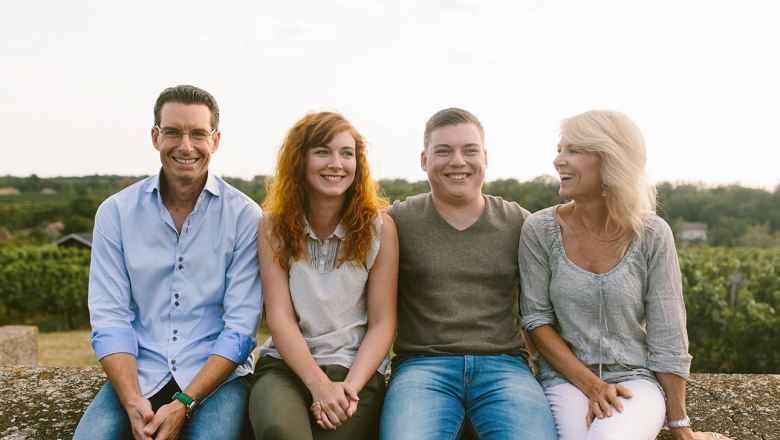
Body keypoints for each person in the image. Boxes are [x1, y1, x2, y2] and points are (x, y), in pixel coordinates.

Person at [519, 110, 732, 440]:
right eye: (560, 149)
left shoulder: (652, 234)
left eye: (573, 151)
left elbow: (668, 337)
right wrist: (592, 385)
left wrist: (680, 425)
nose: (558, 160)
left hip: (636, 382)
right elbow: (535, 321)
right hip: (565, 380)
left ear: (609, 160)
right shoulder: (539, 230)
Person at [73, 85, 263, 440]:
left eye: (198, 134)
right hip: (139, 373)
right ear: (155, 137)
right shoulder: (116, 213)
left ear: (216, 140)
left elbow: (240, 328)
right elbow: (110, 318)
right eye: (173, 132)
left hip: (218, 378)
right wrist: (131, 400)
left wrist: (185, 401)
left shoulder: (245, 217)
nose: (185, 146)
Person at [380, 108, 557, 440]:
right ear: (424, 159)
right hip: (422, 367)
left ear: (485, 157)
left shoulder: (519, 223)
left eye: (469, 150)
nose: (457, 161)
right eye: (443, 151)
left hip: (504, 367)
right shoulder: (397, 221)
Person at [247, 112, 398, 439]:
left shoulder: (380, 229)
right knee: (279, 431)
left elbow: (382, 324)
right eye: (322, 152)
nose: (336, 163)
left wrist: (347, 388)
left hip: (354, 373)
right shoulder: (272, 226)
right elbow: (280, 317)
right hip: (286, 369)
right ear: (299, 159)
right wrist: (318, 386)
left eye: (347, 153)